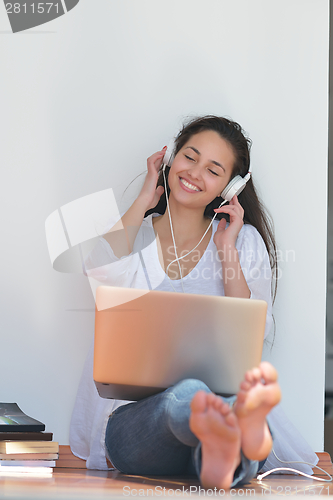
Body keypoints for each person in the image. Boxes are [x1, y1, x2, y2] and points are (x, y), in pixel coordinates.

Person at [69, 116, 319, 486]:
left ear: (232, 186)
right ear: (169, 157)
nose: (195, 173)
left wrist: (226, 250)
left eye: (214, 170)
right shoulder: (135, 235)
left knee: (212, 406)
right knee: (189, 397)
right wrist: (144, 198)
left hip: (216, 410)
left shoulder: (240, 241)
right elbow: (100, 274)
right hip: (138, 421)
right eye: (190, 157)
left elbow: (254, 328)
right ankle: (232, 433)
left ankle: (222, 450)